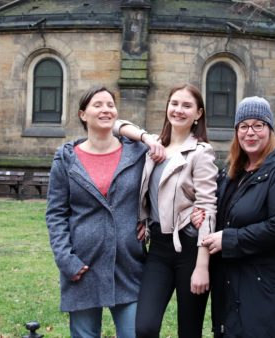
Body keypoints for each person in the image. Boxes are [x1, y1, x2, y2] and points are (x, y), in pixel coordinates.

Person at [45, 85, 164, 338]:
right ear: (82, 114)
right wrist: (67, 260)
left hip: (129, 265)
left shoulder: (138, 153)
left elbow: (159, 189)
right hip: (83, 266)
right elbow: (56, 213)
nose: (105, 109)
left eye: (110, 104)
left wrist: (148, 220)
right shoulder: (66, 159)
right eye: (97, 105)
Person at [196, 96, 275, 337]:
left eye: (258, 125)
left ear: (270, 129)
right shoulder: (232, 173)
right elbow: (215, 210)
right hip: (232, 284)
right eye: (243, 126)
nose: (250, 133)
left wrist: (229, 239)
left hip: (268, 287)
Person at [117, 83, 218, 338]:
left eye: (187, 106)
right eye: (174, 103)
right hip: (159, 249)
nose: (179, 110)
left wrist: (203, 265)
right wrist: (146, 138)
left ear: (198, 114)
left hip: (191, 249)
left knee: (189, 330)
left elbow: (207, 207)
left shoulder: (201, 152)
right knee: (145, 327)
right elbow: (117, 125)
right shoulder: (153, 148)